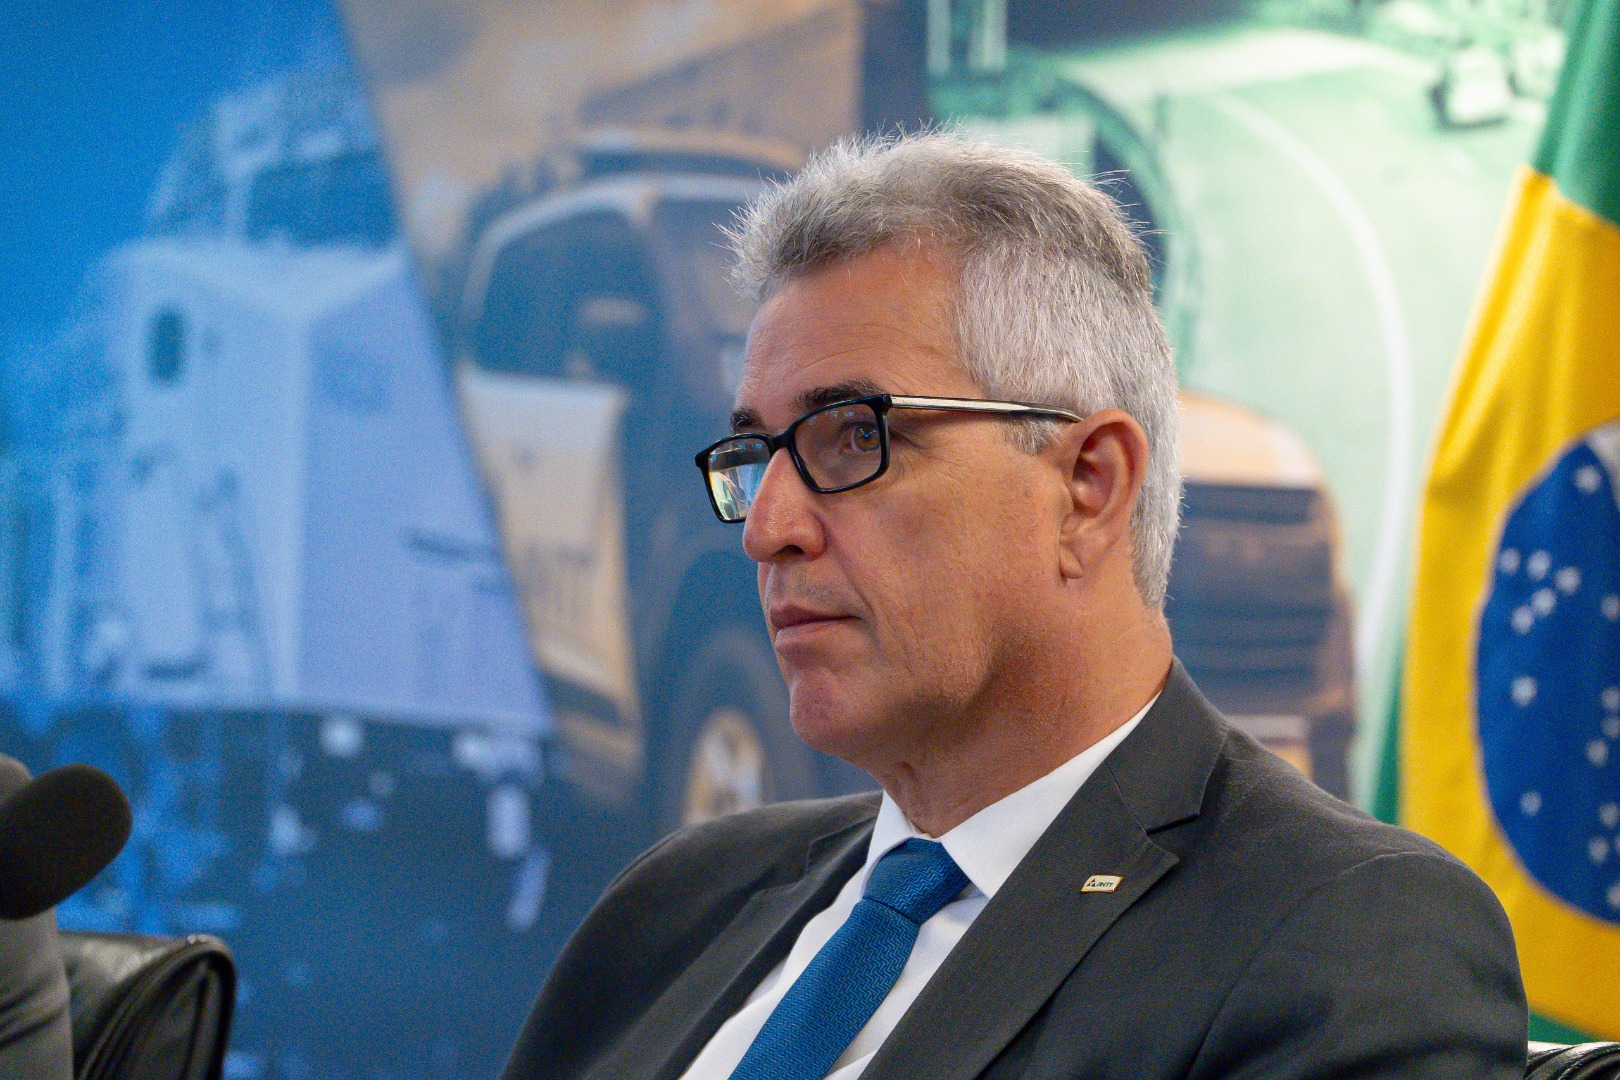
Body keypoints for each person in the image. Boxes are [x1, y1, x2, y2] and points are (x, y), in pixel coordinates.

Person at [500, 132, 1526, 1080]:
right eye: (755, 455)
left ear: (1088, 487)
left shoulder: (1345, 935)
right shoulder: (681, 903)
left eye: (852, 436)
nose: (767, 526)